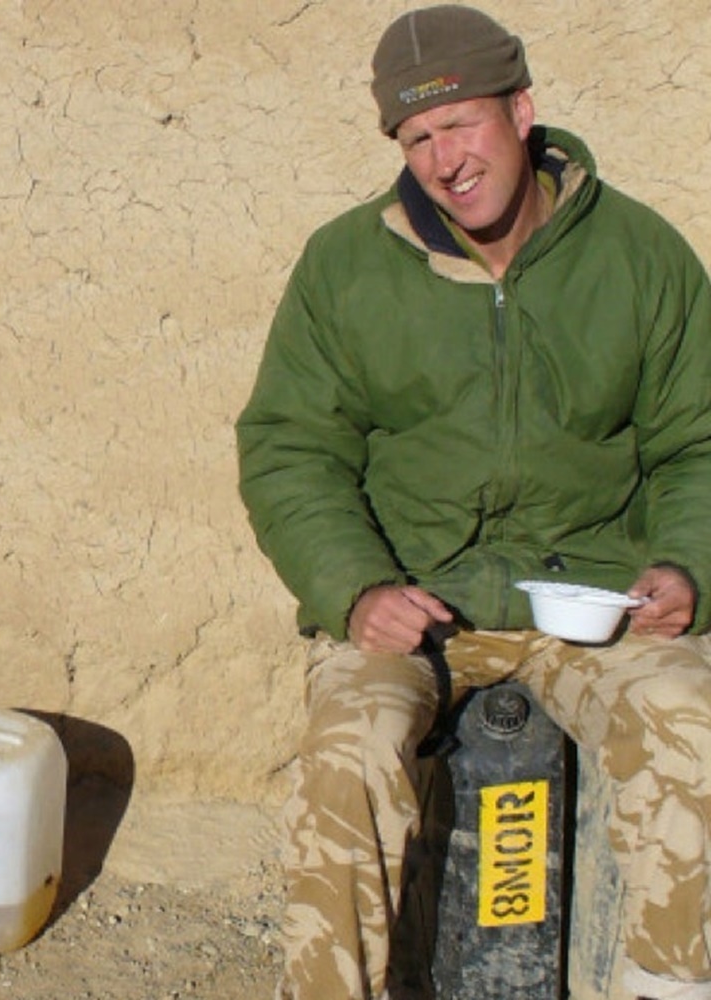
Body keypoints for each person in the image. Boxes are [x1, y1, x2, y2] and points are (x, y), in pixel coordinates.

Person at [235, 5, 711, 1000]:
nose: (445, 158)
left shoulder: (639, 257)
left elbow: (697, 443)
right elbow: (291, 449)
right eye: (418, 137)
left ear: (523, 111)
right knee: (345, 758)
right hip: (417, 608)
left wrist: (685, 567)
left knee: (693, 725)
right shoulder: (347, 267)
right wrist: (355, 587)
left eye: (462, 124)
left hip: (594, 602)